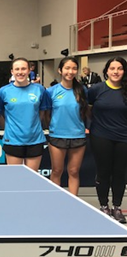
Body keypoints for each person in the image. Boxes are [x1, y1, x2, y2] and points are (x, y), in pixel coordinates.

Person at [88, 56, 127, 223]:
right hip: (101, 136)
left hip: (124, 138)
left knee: (120, 173)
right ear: (106, 71)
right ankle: (104, 206)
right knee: (103, 172)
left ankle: (117, 207)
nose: (116, 72)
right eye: (112, 68)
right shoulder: (96, 89)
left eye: (119, 68)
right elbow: (87, 110)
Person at [0, 58, 49, 171]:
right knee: (16, 178)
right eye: (17, 69)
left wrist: (33, 126)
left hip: (35, 140)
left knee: (32, 178)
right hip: (12, 140)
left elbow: (42, 112)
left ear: (29, 70)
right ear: (12, 71)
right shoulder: (3, 91)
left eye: (23, 68)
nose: (20, 72)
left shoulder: (39, 89)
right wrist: (9, 128)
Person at [46, 57, 88, 196]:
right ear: (60, 70)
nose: (70, 71)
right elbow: (47, 114)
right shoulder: (51, 92)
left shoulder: (82, 90)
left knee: (74, 171)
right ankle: (55, 202)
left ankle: (73, 202)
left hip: (78, 136)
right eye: (67, 68)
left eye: (74, 68)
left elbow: (86, 111)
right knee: (57, 171)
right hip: (57, 136)